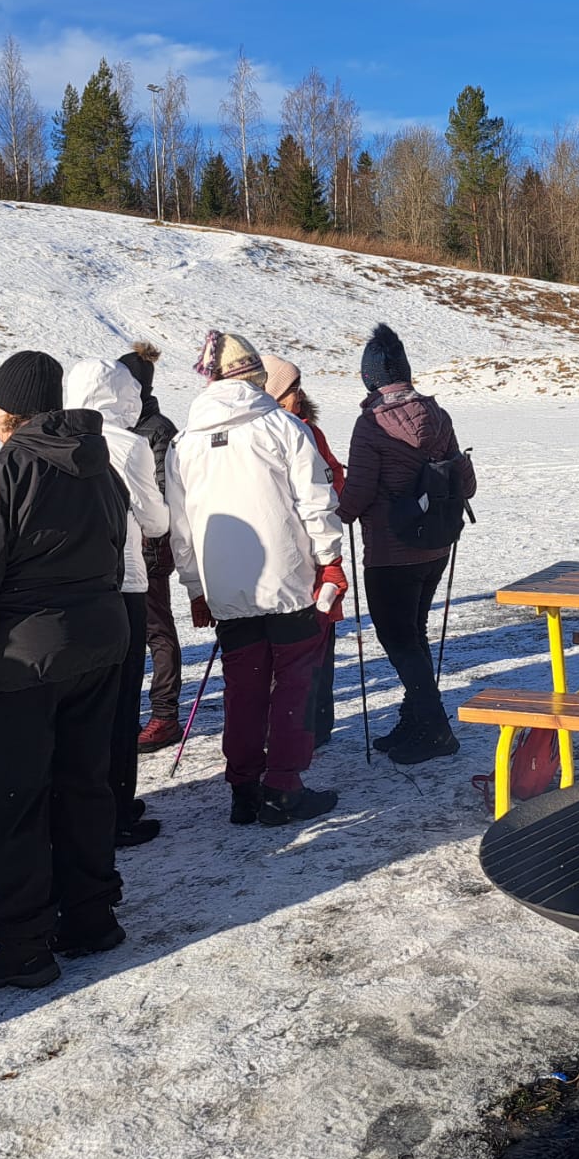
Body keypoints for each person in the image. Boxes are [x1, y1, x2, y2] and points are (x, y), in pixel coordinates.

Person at [0, 351, 131, 991]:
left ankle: (24, 944)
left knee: (12, 804)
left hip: (18, 663)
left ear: (2, 414)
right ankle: (91, 914)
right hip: (96, 648)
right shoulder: (101, 470)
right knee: (83, 785)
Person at [167, 330, 347, 826]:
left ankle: (243, 790)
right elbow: (317, 503)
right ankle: (283, 789)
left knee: (243, 689)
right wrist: (330, 560)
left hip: (225, 589)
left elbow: (180, 527)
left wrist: (196, 588)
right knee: (293, 685)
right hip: (288, 581)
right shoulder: (285, 429)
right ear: (255, 376)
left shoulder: (183, 443)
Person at [337, 323, 476, 764]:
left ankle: (435, 729)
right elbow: (465, 483)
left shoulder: (371, 425)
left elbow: (356, 495)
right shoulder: (437, 415)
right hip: (435, 545)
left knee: (400, 642)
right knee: (413, 636)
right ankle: (415, 718)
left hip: (389, 552)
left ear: (370, 379)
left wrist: (329, 516)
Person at [64, 357, 172, 848]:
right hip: (124, 582)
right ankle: (117, 808)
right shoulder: (129, 445)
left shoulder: (57, 439)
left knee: (85, 705)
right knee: (122, 698)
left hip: (72, 590)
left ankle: (83, 805)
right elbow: (153, 521)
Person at [263, 354, 347, 747]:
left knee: (318, 636)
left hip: (313, 555)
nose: (299, 395)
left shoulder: (309, 431)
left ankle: (317, 721)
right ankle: (299, 723)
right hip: (288, 555)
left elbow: (333, 484)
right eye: (291, 389)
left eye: (298, 388)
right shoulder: (281, 433)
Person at [124, 343, 186, 753]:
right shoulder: (118, 425)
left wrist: (152, 541)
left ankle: (165, 715)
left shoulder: (157, 429)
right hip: (117, 546)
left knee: (156, 630)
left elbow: (163, 491)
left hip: (148, 545)